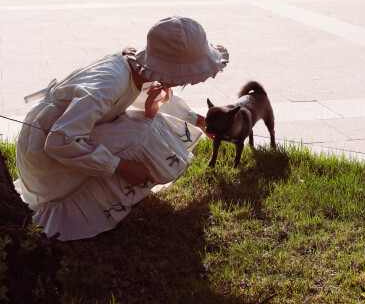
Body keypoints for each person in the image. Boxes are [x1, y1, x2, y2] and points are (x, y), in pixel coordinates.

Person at [15, 16, 229, 241]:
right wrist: (119, 165)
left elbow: (143, 98)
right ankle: (83, 197)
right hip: (43, 159)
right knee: (144, 132)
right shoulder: (109, 84)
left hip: (63, 137)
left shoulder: (135, 67)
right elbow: (61, 141)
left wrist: (196, 120)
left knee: (148, 122)